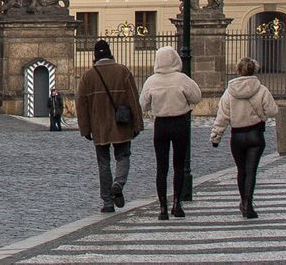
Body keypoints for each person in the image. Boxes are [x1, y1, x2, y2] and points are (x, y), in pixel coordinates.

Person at [76, 39, 143, 213]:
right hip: (121, 124)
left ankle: (107, 201)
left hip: (99, 125)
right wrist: (137, 123)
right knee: (123, 156)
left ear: (94, 56)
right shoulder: (123, 71)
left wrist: (85, 128)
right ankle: (118, 184)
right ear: (110, 53)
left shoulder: (88, 76)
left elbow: (80, 104)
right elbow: (133, 100)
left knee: (103, 162)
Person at [139, 45, 202, 220]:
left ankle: (162, 208)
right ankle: (177, 204)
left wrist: (155, 104)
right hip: (179, 122)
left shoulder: (151, 81)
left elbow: (143, 104)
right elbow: (197, 97)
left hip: (161, 125)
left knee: (162, 167)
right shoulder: (182, 79)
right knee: (179, 165)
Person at [212, 56, 280, 218]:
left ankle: (243, 201)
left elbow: (222, 117)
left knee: (241, 171)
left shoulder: (229, 92)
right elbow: (273, 111)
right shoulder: (261, 89)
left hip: (237, 136)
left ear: (238, 70)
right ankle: (248, 203)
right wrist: (261, 114)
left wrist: (216, 136)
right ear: (254, 70)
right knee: (251, 171)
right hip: (255, 135)